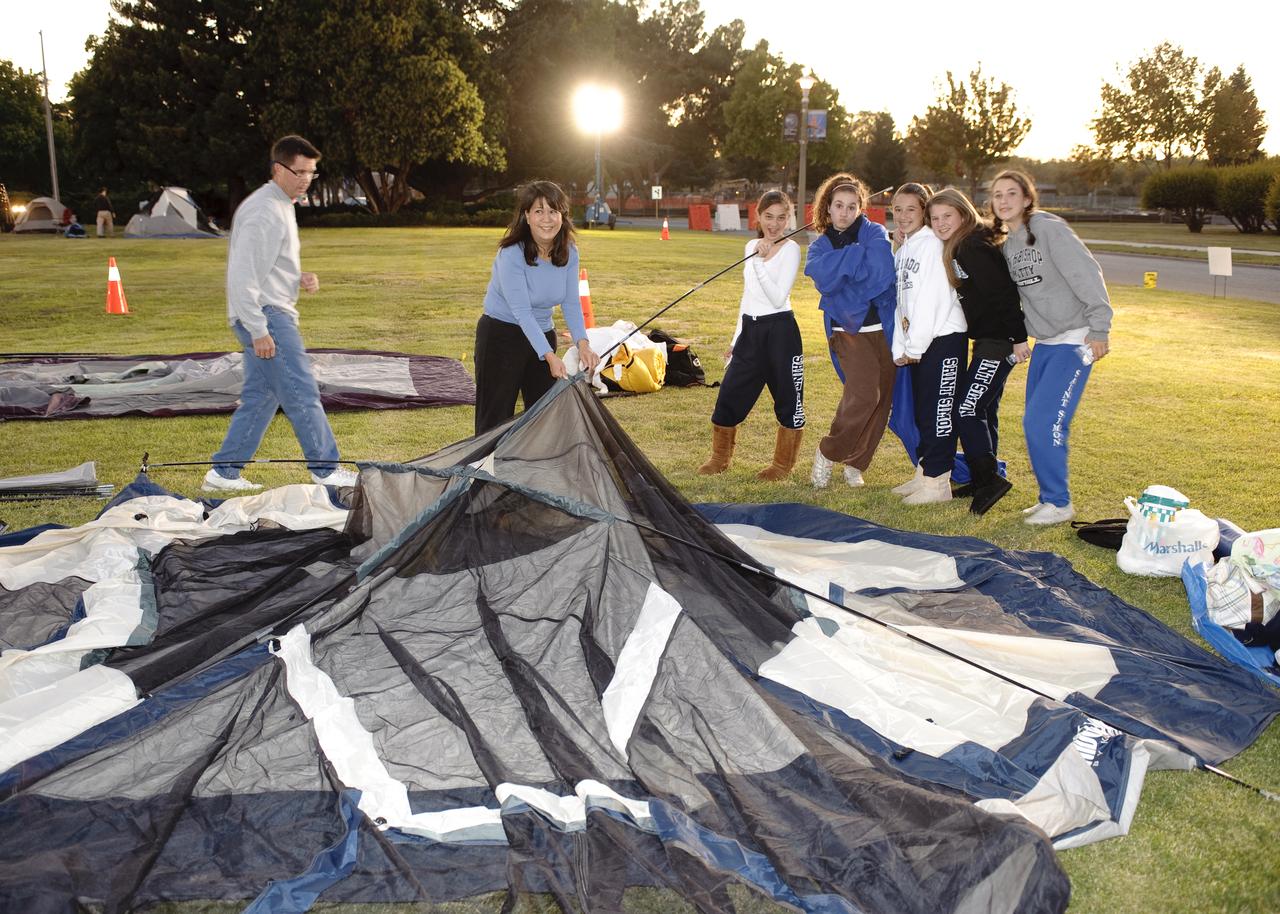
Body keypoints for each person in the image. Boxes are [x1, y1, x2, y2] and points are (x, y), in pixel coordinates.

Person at [203, 135, 357, 492]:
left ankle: (223, 473)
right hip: (266, 315)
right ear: (278, 169)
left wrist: (296, 276)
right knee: (301, 390)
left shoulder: (281, 204)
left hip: (266, 310)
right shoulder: (264, 211)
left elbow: (266, 265)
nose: (306, 179)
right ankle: (326, 470)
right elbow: (242, 277)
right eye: (299, 172)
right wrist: (259, 329)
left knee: (261, 397)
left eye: (312, 173)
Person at [991, 169, 1112, 525]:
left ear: (1027, 198)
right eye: (997, 195)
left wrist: (1100, 328)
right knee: (1034, 423)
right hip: (1045, 343)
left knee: (1044, 422)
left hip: (1075, 339)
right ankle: (1048, 498)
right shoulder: (1008, 245)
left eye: (1011, 193)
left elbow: (1085, 272)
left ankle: (1060, 504)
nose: (1003, 201)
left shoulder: (1047, 228)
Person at [927, 187, 1029, 515]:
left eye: (947, 215)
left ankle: (989, 480)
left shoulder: (971, 246)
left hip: (999, 342)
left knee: (966, 408)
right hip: (987, 340)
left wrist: (1018, 338)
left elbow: (1002, 293)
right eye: (935, 218)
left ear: (963, 213)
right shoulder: (960, 245)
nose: (941, 223)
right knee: (984, 408)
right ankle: (983, 476)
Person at [474, 180, 599, 435]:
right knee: (495, 419)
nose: (547, 219)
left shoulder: (569, 251)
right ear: (527, 216)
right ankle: (487, 462)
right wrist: (549, 356)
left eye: (553, 211)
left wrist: (583, 344)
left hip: (542, 334)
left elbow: (571, 303)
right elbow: (521, 312)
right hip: (501, 337)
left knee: (542, 419)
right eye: (539, 211)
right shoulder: (511, 253)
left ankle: (532, 463)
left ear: (562, 216)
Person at [698, 190, 804, 479]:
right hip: (751, 330)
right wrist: (736, 338)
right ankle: (719, 458)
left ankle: (782, 465)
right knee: (730, 393)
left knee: (789, 399)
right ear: (758, 216)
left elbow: (777, 298)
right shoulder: (750, 246)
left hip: (780, 331)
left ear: (789, 219)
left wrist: (759, 262)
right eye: (768, 216)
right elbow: (749, 296)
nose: (774, 224)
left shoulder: (791, 249)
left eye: (781, 217)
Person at [803, 174, 897, 489]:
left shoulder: (875, 232)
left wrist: (844, 275)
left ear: (860, 208)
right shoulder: (819, 247)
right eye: (839, 206)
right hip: (848, 330)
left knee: (883, 400)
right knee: (865, 395)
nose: (844, 212)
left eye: (852, 206)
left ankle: (856, 463)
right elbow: (824, 279)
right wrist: (858, 256)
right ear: (827, 209)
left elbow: (882, 275)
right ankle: (827, 452)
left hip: (883, 328)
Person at [888, 183, 968, 505]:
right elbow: (902, 302)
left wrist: (914, 346)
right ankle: (925, 473)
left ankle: (938, 485)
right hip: (921, 344)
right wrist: (901, 346)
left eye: (911, 209)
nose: (903, 215)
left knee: (940, 414)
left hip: (944, 339)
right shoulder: (906, 247)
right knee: (924, 412)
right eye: (897, 209)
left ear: (923, 211)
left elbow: (931, 301)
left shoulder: (933, 245)